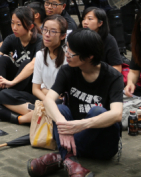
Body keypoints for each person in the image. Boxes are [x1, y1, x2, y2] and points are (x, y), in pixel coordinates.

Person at [27, 30, 123, 177]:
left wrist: (80, 125)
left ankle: (60, 158)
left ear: (89, 56)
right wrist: (63, 124)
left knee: (97, 111)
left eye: (71, 54)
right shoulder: (68, 71)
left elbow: (117, 114)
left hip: (102, 145)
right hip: (71, 135)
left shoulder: (113, 76)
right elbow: (48, 100)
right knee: (60, 109)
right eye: (66, 49)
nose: (66, 55)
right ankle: (71, 162)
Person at [0, 7, 42, 123]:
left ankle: (2, 98)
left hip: (28, 84)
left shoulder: (39, 41)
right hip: (12, 83)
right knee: (2, 59)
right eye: (12, 23)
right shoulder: (12, 38)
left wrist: (12, 82)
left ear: (31, 26)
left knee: (27, 62)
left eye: (19, 24)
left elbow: (33, 65)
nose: (14, 27)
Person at [81, 7, 123, 73]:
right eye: (83, 19)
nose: (85, 22)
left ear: (100, 23)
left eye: (90, 19)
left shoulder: (109, 40)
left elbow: (117, 67)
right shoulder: (78, 37)